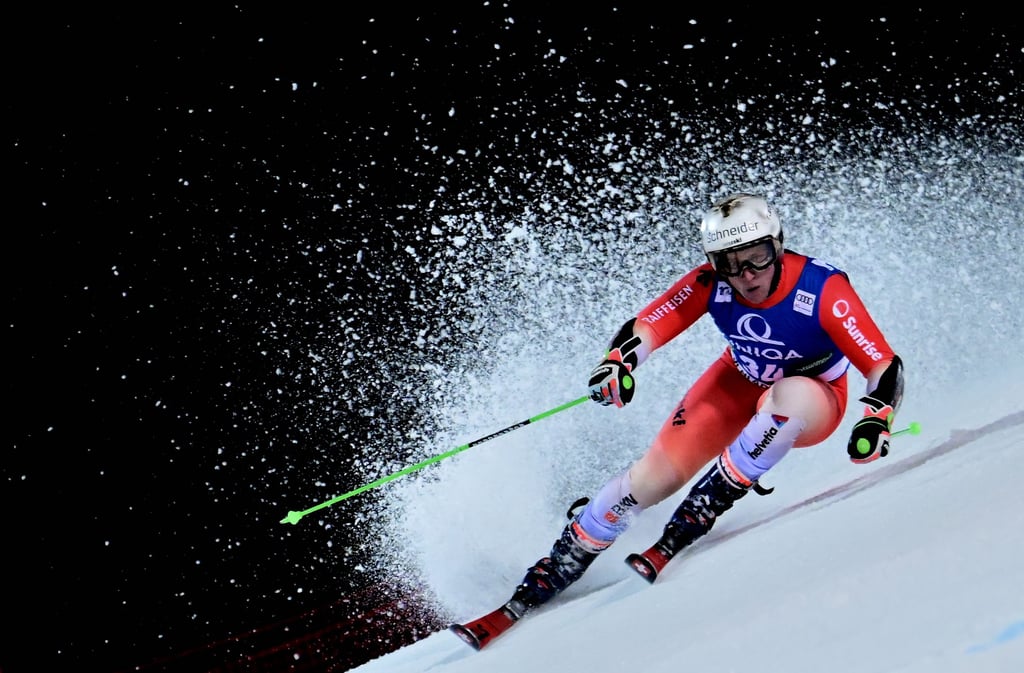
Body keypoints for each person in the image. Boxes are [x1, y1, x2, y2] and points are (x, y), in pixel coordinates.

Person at [503, 192, 905, 616]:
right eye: (730, 263)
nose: (747, 275)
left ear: (779, 244)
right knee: (652, 477)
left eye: (758, 257)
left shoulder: (823, 287)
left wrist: (876, 417)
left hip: (815, 396)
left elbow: (883, 364)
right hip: (737, 382)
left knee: (788, 398)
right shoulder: (710, 283)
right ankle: (565, 555)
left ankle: (707, 503)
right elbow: (649, 325)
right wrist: (618, 364)